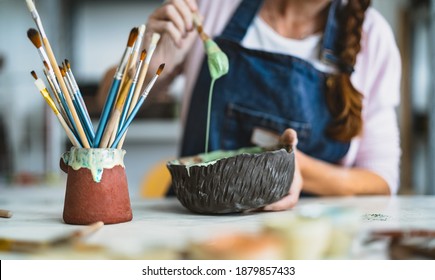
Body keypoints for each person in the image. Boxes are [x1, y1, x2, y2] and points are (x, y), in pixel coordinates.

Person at [100, 0, 401, 210]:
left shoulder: (372, 36)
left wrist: (293, 169)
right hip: (196, 229)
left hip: (309, 238)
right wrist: (150, 64)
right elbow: (105, 105)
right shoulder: (209, 7)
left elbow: (381, 180)